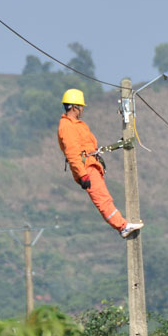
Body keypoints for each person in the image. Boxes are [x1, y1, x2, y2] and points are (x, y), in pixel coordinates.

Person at [57, 88, 144, 239]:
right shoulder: (67, 126)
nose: (82, 109)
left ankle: (122, 225)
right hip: (86, 168)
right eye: (81, 106)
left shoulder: (76, 124)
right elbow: (72, 153)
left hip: (91, 165)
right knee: (102, 199)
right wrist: (82, 174)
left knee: (105, 197)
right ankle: (122, 227)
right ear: (75, 107)